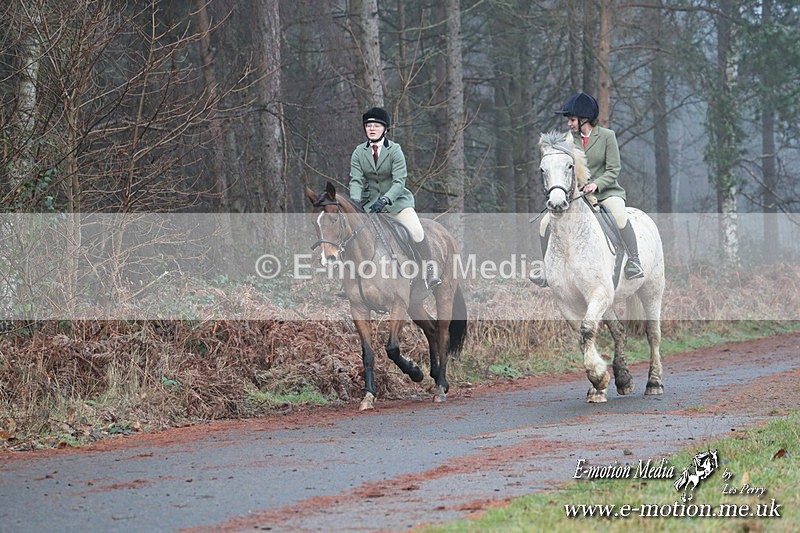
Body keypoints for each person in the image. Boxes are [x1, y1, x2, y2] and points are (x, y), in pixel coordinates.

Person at [532, 92, 643, 288]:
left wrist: (596, 184)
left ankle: (634, 261)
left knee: (619, 216)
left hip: (606, 192)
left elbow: (613, 169)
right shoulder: (568, 141)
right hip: (578, 196)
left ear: (585, 119)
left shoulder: (608, 137)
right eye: (569, 120)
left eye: (572, 119)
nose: (569, 124)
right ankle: (546, 269)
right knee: (543, 223)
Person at [349, 107, 441, 289]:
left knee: (416, 231)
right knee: (354, 234)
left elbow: (399, 182)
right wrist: (355, 202)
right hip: (369, 206)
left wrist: (385, 200)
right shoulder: (359, 152)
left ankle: (429, 271)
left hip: (397, 203)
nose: (372, 129)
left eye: (376, 125)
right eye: (368, 126)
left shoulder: (395, 150)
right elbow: (356, 180)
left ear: (385, 129)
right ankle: (352, 280)